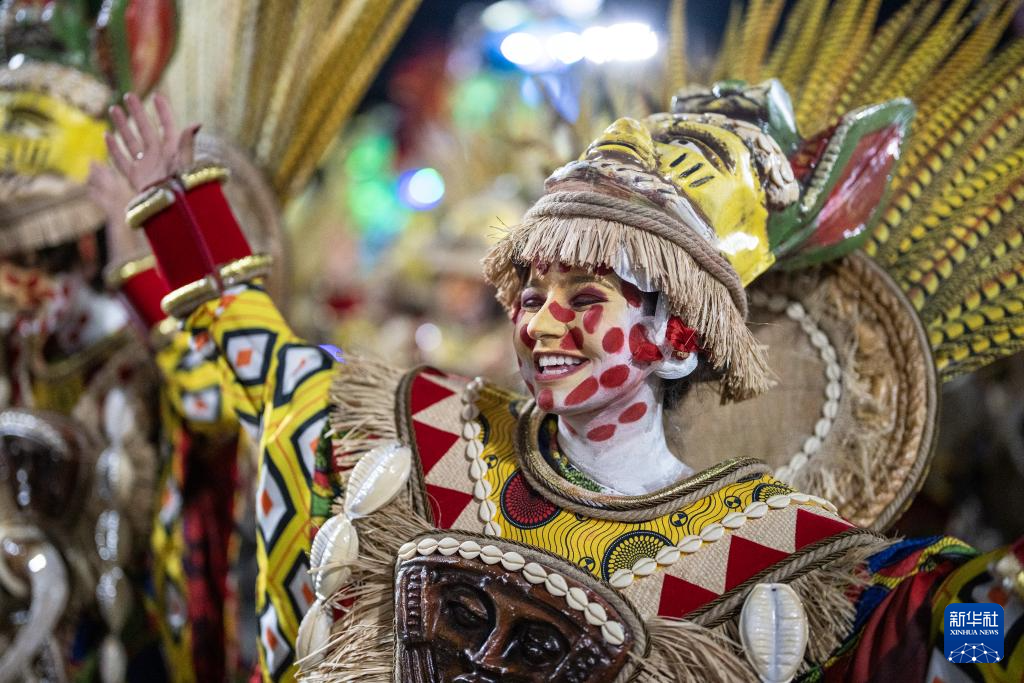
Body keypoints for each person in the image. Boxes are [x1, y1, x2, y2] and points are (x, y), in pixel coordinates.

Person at [103, 60, 1024, 683]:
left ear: (677, 339)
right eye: (531, 292)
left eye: (586, 297)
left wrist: (1000, 611)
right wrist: (177, 215)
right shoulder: (432, 439)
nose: (543, 322)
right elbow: (277, 372)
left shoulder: (778, 555)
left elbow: (945, 632)